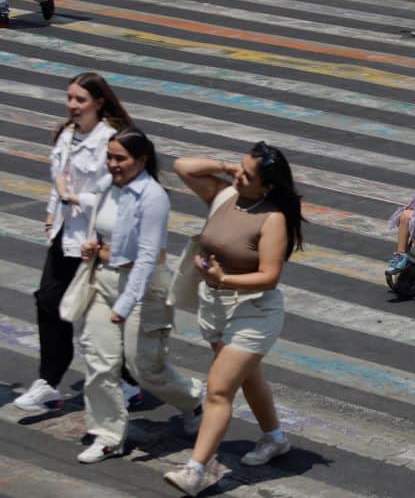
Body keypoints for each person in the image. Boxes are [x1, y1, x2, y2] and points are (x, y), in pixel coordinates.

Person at [164, 142, 304, 497]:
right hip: (213, 306)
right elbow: (183, 166)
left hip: (253, 311)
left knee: (219, 389)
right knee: (248, 377)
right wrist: (230, 166)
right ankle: (275, 438)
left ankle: (196, 470)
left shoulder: (273, 219)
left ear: (268, 186)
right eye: (238, 168)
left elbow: (269, 276)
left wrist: (224, 279)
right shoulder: (225, 194)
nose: (238, 175)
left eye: (247, 174)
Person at [76, 129, 205, 463]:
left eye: (121, 158)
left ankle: (192, 400)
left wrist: (125, 303)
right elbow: (100, 229)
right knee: (99, 362)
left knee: (144, 367)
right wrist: (93, 245)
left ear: (142, 160)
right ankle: (107, 436)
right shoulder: (106, 186)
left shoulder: (152, 196)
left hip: (143, 289)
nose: (113, 164)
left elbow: (148, 258)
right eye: (110, 156)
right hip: (103, 281)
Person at [13, 72, 141, 412]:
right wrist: (51, 215)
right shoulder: (66, 135)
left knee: (105, 311)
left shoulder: (110, 141)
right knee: (49, 301)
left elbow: (111, 192)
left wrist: (73, 199)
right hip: (65, 235)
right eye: (70, 98)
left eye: (80, 100)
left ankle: (129, 380)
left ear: (99, 102)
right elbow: (59, 180)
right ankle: (48, 381)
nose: (72, 105)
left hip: (97, 239)